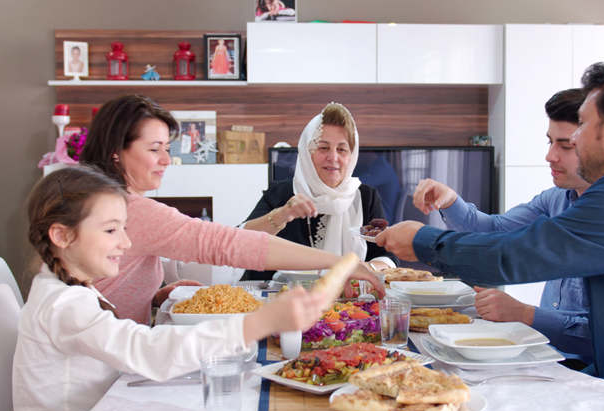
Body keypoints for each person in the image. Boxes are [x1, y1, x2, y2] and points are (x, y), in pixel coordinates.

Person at [377, 62, 604, 411]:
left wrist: (422, 240)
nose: (575, 139)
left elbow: (514, 256)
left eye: (583, 124)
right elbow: (505, 238)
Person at [12, 166, 332, 411]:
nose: (126, 243)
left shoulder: (60, 289)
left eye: (124, 228)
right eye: (111, 231)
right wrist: (260, 321)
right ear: (62, 236)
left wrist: (154, 299)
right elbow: (150, 353)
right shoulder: (64, 305)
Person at [79, 95, 383, 325]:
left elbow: (107, 288)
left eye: (167, 149)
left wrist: (153, 298)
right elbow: (231, 244)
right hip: (97, 373)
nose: (165, 160)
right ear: (116, 153)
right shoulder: (132, 210)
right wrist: (339, 263)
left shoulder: (97, 199)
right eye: (153, 149)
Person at [412, 89, 592, 370]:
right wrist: (450, 200)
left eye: (565, 146)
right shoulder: (555, 198)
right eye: (549, 142)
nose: (549, 156)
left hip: (589, 370)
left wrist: (525, 314)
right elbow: (494, 230)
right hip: (545, 354)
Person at [242, 103, 397, 282]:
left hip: (348, 303)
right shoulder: (282, 193)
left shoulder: (366, 196)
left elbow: (388, 257)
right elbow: (242, 243)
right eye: (323, 148)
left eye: (341, 149)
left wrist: (367, 267)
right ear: (307, 152)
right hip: (281, 299)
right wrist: (282, 214)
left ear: (351, 155)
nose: (333, 157)